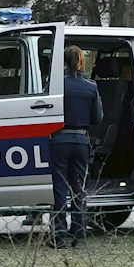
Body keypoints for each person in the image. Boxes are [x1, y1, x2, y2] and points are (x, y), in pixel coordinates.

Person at [49, 45, 102, 248]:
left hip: (59, 139)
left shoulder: (56, 86)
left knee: (60, 189)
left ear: (63, 61)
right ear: (81, 62)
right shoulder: (91, 87)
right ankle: (78, 235)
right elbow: (97, 118)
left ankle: (59, 236)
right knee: (78, 189)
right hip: (81, 140)